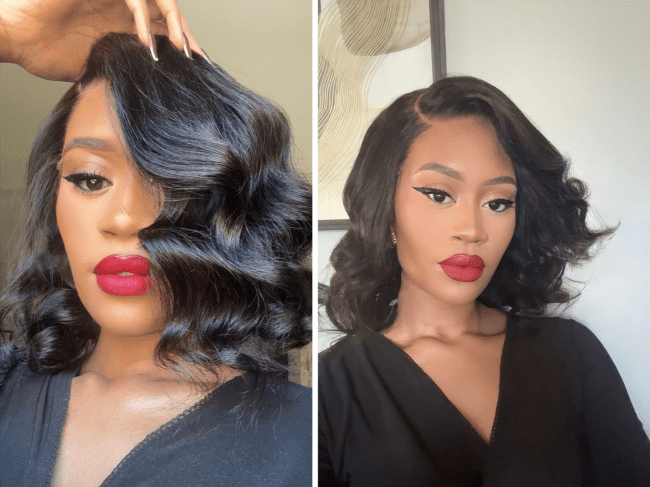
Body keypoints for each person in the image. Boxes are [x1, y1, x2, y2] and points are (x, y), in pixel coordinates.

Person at [0, 20, 311, 487]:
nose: (126, 218)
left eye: (171, 182)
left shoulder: (306, 438)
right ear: (54, 203)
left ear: (229, 211)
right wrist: (10, 31)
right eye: (91, 179)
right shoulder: (5, 387)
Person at [319, 76, 650, 486]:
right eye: (439, 194)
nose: (472, 230)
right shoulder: (331, 391)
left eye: (498, 202)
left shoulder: (571, 355)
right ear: (385, 208)